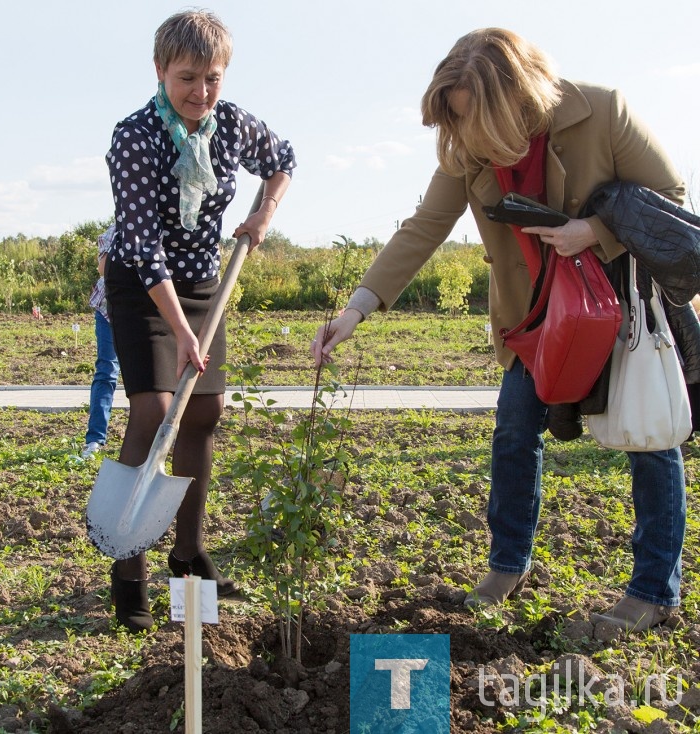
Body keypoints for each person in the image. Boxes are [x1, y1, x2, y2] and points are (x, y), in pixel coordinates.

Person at [312, 28, 686, 632]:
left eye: (473, 117)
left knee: (651, 440)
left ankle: (651, 592)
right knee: (514, 434)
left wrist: (592, 232)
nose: (467, 136)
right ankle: (507, 564)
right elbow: (423, 226)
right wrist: (355, 309)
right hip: (533, 320)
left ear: (518, 93)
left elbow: (670, 195)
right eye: (457, 122)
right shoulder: (468, 152)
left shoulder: (603, 110)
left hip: (616, 313)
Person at [103, 9, 295, 632]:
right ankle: (126, 569)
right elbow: (142, 244)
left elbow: (285, 158)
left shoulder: (233, 126)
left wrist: (263, 212)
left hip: (205, 282)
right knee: (156, 411)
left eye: (212, 78)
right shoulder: (134, 138)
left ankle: (187, 559)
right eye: (187, 77)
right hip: (141, 284)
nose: (201, 92)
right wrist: (182, 332)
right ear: (160, 70)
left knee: (205, 413)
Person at [81, 225, 120, 460]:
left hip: (145, 311)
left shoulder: (160, 230)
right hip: (109, 311)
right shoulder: (114, 232)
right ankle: (95, 439)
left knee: (149, 378)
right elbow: (105, 269)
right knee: (107, 371)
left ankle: (149, 440)